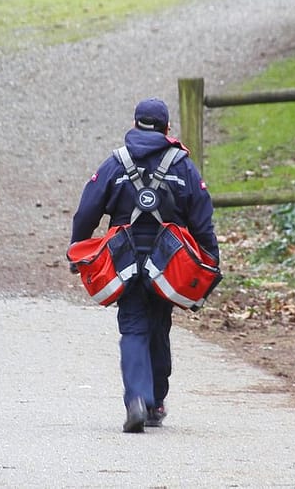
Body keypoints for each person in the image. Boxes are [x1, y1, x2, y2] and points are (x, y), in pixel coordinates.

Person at [70, 97, 220, 433]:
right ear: (167, 128)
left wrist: (76, 249)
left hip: (124, 260)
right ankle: (155, 402)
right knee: (159, 326)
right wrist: (210, 262)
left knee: (133, 329)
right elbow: (202, 218)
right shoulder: (182, 166)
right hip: (169, 263)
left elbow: (86, 211)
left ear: (136, 125)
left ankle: (137, 398)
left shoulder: (115, 163)